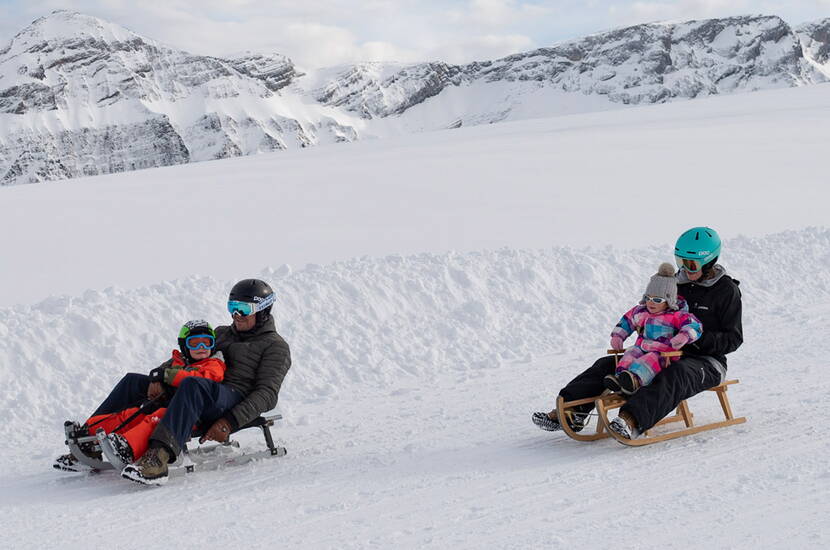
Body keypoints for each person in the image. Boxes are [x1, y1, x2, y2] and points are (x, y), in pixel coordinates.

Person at [532, 227, 742, 440]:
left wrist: (692, 341)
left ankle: (631, 420)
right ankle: (569, 412)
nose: (685, 269)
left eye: (691, 264)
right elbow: (649, 308)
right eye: (680, 262)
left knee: (676, 374)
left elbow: (733, 339)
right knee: (608, 364)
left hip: (705, 361)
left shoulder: (726, 291)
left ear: (709, 262)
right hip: (659, 353)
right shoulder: (674, 284)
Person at [54, 320, 225, 471]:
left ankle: (128, 446)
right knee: (132, 413)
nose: (202, 348)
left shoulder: (214, 364)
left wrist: (167, 375)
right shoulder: (179, 362)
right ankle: (87, 439)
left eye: (207, 343)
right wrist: (157, 377)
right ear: (184, 346)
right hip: (168, 404)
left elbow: (200, 379)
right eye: (194, 343)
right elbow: (159, 373)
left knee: (156, 418)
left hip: (191, 413)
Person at [602, 262, 703, 397]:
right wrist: (618, 335)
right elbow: (628, 320)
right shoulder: (643, 311)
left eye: (657, 299)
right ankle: (621, 378)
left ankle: (635, 380)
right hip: (642, 347)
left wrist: (684, 336)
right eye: (648, 298)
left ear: (669, 300)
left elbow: (695, 326)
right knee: (631, 352)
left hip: (663, 354)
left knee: (649, 359)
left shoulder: (677, 315)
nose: (651, 302)